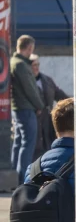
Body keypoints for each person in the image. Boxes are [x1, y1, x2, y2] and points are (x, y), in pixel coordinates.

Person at [11, 35, 45, 180]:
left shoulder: (14, 62)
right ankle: (22, 180)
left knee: (18, 143)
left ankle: (14, 177)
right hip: (26, 108)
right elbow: (30, 89)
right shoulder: (21, 65)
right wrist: (40, 105)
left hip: (18, 108)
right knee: (27, 145)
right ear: (29, 47)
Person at [30, 54, 68, 158]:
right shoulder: (26, 82)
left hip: (47, 120)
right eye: (33, 65)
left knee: (48, 146)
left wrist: (72, 101)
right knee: (34, 149)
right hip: (33, 119)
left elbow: (59, 94)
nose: (36, 67)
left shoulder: (47, 80)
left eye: (37, 65)